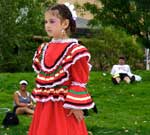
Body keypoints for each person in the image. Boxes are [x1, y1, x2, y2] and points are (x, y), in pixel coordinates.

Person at [28, 3, 95, 135]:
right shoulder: (43, 49)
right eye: (45, 21)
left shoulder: (75, 51)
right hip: (44, 107)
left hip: (64, 107)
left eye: (52, 21)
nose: (47, 25)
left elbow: (79, 81)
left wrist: (75, 105)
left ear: (65, 24)